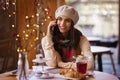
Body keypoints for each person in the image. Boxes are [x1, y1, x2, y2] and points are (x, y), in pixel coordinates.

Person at [41, 5, 94, 71]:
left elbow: (90, 65)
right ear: (56, 21)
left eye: (67, 20)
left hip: (74, 76)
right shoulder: (47, 40)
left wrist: (61, 64)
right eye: (60, 19)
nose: (62, 23)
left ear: (72, 24)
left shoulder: (81, 39)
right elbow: (52, 64)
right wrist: (49, 35)